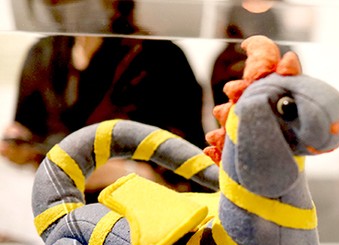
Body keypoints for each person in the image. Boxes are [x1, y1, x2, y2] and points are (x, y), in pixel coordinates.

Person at [0, 0, 207, 204]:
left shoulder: (162, 58)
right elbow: (28, 131)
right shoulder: (44, 52)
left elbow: (192, 172)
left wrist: (127, 172)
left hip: (139, 212)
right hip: (63, 208)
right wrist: (20, 146)